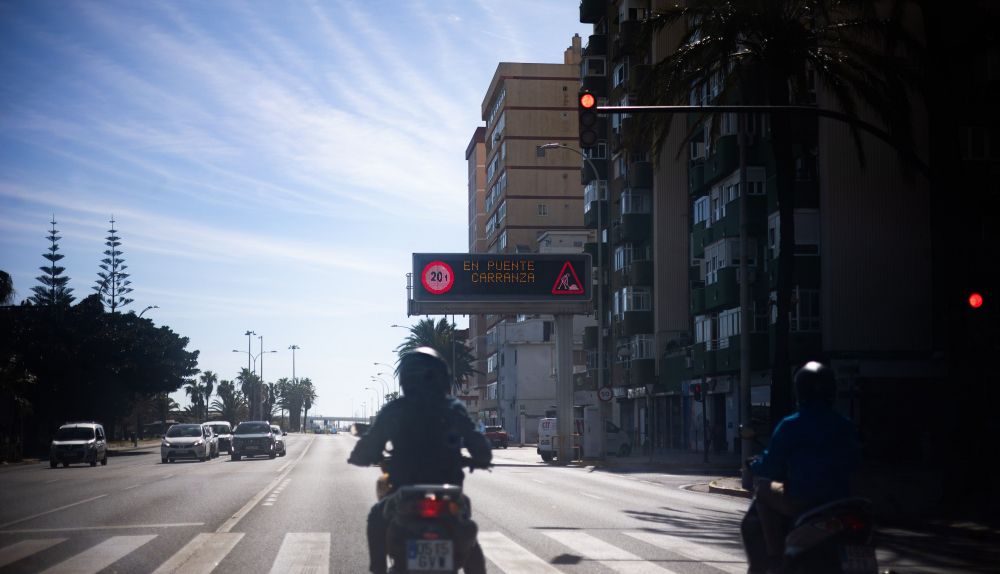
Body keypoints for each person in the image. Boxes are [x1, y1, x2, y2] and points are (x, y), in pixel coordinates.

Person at [348, 347, 492, 574]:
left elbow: (368, 446)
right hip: (448, 493)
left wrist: (360, 457)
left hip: (405, 493)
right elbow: (481, 447)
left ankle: (378, 569)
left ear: (406, 378)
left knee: (377, 517)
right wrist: (480, 459)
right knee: (469, 537)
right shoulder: (453, 408)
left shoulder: (396, 409)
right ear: (442, 376)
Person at [749, 361, 861, 572]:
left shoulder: (792, 425)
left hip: (801, 499)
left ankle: (774, 556)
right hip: (843, 501)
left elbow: (771, 466)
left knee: (764, 488)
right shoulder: (845, 425)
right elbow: (858, 461)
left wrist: (756, 465)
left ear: (800, 391)